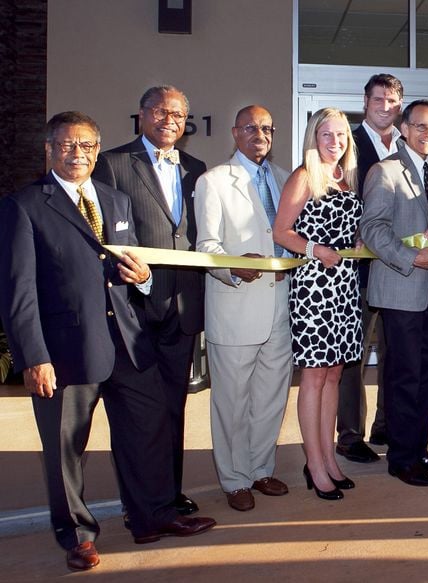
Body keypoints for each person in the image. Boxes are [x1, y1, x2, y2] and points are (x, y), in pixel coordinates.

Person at [0, 112, 215, 571]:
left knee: (148, 427)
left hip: (127, 341)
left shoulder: (115, 201)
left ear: (97, 151)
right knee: (66, 447)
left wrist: (143, 277)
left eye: (85, 146)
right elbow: (18, 292)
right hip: (64, 351)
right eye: (66, 145)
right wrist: (34, 357)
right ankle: (77, 535)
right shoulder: (25, 205)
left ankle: (152, 516)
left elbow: (130, 262)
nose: (76, 154)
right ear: (49, 149)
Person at [93, 85, 207, 514]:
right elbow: (103, 239)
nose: (169, 121)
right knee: (137, 416)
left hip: (182, 309)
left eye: (177, 115)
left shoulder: (196, 168)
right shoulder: (115, 164)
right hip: (134, 313)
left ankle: (170, 494)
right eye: (160, 112)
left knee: (174, 409)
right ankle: (137, 501)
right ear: (141, 115)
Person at [194, 105, 292, 511]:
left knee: (271, 397)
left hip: (281, 306)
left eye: (267, 129)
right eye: (251, 128)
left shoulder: (286, 179)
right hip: (235, 306)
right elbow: (206, 248)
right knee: (232, 403)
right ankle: (234, 479)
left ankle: (260, 469)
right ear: (235, 133)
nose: (260, 135)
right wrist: (233, 268)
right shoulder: (214, 181)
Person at [360, 99, 428, 487]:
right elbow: (373, 228)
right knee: (404, 376)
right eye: (421, 126)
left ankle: (420, 448)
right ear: (404, 128)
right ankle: (401, 459)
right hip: (401, 286)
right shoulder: (384, 172)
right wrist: (410, 257)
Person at [273, 108, 363, 500]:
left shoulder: (346, 178)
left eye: (341, 135)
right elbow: (281, 231)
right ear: (314, 137)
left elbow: (347, 230)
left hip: (344, 286)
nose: (334, 142)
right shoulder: (304, 175)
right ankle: (313, 463)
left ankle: (328, 457)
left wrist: (356, 246)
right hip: (313, 286)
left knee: (335, 375)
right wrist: (317, 250)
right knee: (314, 377)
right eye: (326, 135)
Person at [336, 73, 404, 464]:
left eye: (392, 100)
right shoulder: (346, 143)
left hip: (397, 268)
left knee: (396, 352)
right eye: (378, 98)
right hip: (356, 271)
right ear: (365, 101)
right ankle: (349, 434)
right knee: (353, 356)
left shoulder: (408, 144)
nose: (385, 106)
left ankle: (387, 424)